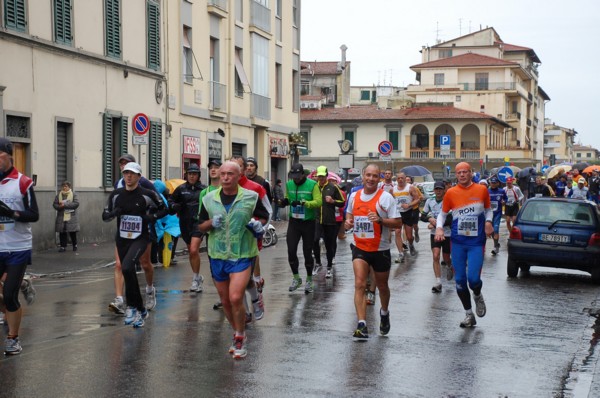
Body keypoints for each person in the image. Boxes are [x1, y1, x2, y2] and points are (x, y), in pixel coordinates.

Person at [198, 161, 269, 359]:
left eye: (230, 174)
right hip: (217, 254)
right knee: (225, 300)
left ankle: (239, 336)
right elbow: (200, 226)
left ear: (239, 176)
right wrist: (211, 223)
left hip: (242, 252)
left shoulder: (251, 197)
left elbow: (264, 217)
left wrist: (258, 225)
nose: (226, 178)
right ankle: (237, 331)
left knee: (236, 297)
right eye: (223, 174)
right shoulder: (209, 199)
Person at [102, 162, 168, 328]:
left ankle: (132, 307)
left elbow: (164, 209)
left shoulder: (147, 194)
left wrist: (152, 217)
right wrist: (113, 213)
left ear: (139, 176)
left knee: (126, 267)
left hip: (141, 237)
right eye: (126, 173)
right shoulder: (116, 195)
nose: (128, 176)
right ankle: (139, 308)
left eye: (132, 174)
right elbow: (105, 215)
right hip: (122, 238)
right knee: (127, 269)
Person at [345, 164, 401, 339]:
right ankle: (362, 324)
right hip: (360, 247)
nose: (370, 179)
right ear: (363, 176)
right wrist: (348, 223)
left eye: (374, 176)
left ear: (380, 178)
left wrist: (380, 220)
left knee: (382, 286)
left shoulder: (386, 198)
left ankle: (384, 313)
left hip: (380, 249)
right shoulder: (354, 196)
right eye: (368, 175)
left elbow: (398, 222)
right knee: (360, 284)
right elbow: (349, 215)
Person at [435, 162, 493, 328]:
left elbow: (489, 210)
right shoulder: (451, 193)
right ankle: (469, 315)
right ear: (456, 174)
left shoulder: (481, 190)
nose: (462, 175)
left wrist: (488, 222)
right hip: (458, 241)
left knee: (473, 279)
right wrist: (439, 228)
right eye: (459, 172)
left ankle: (477, 294)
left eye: (465, 172)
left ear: (471, 173)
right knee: (460, 281)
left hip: (476, 242)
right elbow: (442, 214)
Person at [0, 137, 39, 355]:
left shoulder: (23, 182)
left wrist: (11, 213)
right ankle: (24, 283)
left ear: (9, 156)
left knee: (9, 295)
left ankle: (13, 338)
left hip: (17, 248)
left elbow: (34, 215)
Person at [109, 154, 158, 315]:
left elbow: (159, 202)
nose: (124, 168)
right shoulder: (118, 185)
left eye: (127, 164)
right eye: (121, 165)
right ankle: (120, 300)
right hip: (123, 233)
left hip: (143, 231)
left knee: (145, 264)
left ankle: (150, 290)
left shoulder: (143, 183)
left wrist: (151, 216)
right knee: (120, 265)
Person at [281, 163, 322, 293]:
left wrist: (304, 203)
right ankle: (296, 278)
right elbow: (288, 197)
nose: (296, 179)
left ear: (303, 174)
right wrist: (284, 201)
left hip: (308, 222)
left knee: (307, 252)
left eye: (298, 176)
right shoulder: (289, 184)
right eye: (293, 176)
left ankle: (309, 280)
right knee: (291, 250)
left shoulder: (312, 185)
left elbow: (319, 202)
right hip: (294, 222)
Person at [169, 164, 207, 292]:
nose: (192, 176)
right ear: (186, 175)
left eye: (194, 174)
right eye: (190, 174)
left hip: (198, 223)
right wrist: (174, 206)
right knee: (191, 251)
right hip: (185, 223)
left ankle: (195, 279)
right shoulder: (180, 189)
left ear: (198, 176)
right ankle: (197, 276)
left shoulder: (203, 189)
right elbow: (170, 200)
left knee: (194, 249)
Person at [312, 166, 345, 278]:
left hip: (329, 221)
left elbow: (342, 202)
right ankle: (318, 263)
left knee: (329, 244)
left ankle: (329, 267)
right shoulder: (314, 187)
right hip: (316, 220)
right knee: (315, 240)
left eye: (322, 176)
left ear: (326, 176)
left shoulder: (333, 187)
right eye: (319, 176)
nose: (320, 178)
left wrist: (333, 201)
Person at [421, 181, 453, 293]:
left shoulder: (448, 201)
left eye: (440, 189)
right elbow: (423, 216)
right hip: (434, 234)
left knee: (446, 258)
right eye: (436, 189)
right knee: (435, 256)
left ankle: (450, 266)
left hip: (447, 233)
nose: (438, 191)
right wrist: (430, 219)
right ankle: (438, 282)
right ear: (434, 190)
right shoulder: (429, 201)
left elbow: (450, 219)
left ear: (444, 190)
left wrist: (436, 224)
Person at [392, 172, 420, 260]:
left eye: (402, 178)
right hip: (398, 214)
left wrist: (409, 205)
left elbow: (417, 199)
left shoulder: (410, 188)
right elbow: (390, 201)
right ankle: (400, 253)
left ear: (405, 179)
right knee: (397, 232)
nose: (400, 180)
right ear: (396, 179)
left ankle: (411, 244)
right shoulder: (393, 189)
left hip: (408, 213)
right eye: (398, 178)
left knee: (409, 237)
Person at [52, 181, 80, 252]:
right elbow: (55, 204)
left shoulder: (73, 194)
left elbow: (76, 204)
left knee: (72, 231)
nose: (64, 188)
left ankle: (75, 245)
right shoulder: (59, 195)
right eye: (63, 186)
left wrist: (66, 205)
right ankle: (63, 246)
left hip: (71, 216)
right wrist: (60, 206)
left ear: (69, 187)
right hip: (61, 216)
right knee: (62, 231)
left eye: (66, 186)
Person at [487, 177, 507, 256]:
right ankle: (497, 244)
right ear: (490, 183)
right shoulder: (487, 191)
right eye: (492, 183)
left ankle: (496, 247)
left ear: (498, 183)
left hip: (497, 214)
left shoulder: (501, 191)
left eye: (495, 183)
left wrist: (504, 202)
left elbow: (506, 199)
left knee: (495, 230)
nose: (493, 184)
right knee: (490, 230)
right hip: (489, 214)